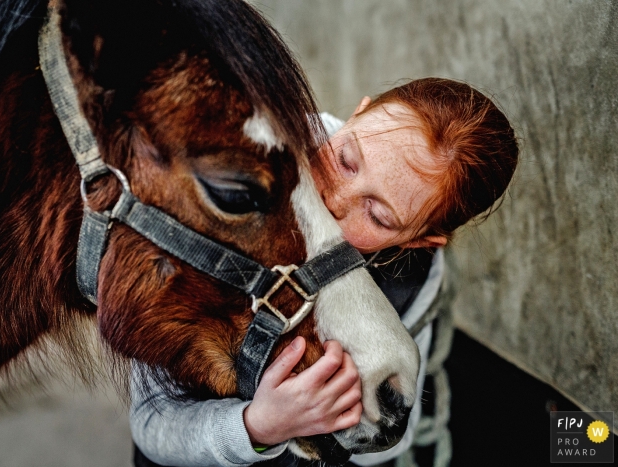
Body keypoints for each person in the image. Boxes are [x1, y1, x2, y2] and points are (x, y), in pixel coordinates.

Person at [129, 78, 519, 467]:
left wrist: (345, 413)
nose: (332, 198)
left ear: (419, 241)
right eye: (347, 160)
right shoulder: (239, 164)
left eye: (378, 216)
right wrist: (257, 427)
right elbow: (151, 421)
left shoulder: (416, 279)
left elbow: (394, 432)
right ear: (359, 112)